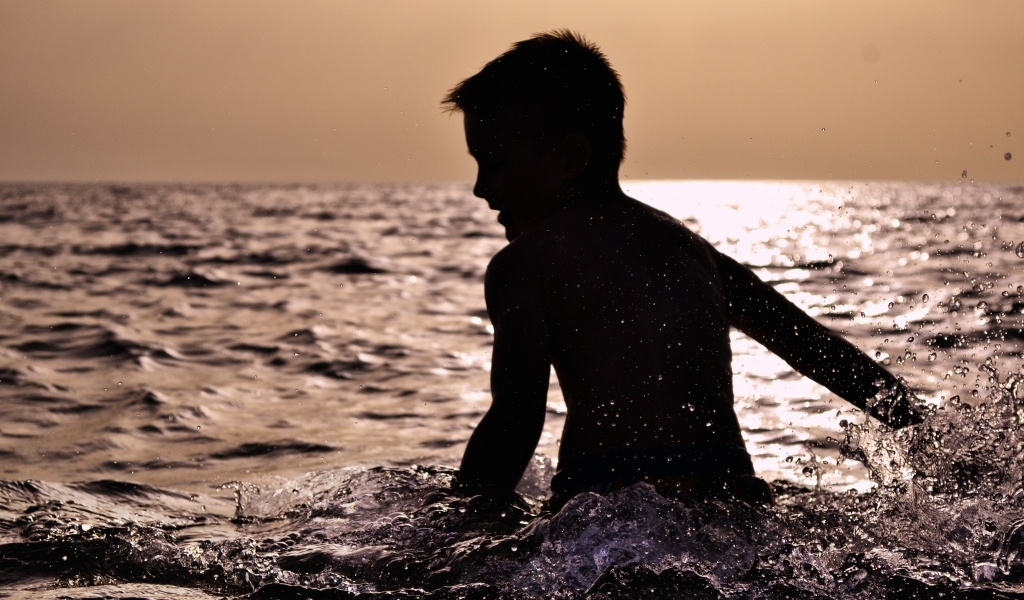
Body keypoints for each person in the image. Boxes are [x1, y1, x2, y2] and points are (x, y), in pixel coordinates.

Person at [442, 30, 925, 510]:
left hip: (609, 500)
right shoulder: (691, 250)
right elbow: (810, 345)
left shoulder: (526, 264)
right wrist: (918, 427)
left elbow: (514, 420)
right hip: (735, 500)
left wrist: (456, 527)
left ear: (571, 157)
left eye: (494, 164)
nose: (481, 188)